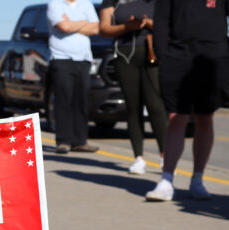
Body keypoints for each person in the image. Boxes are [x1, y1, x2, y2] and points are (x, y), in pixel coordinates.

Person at [146, 0, 229, 201]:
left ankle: (197, 179)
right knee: (177, 116)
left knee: (205, 117)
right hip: (177, 57)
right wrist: (162, 55)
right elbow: (161, 20)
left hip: (214, 59)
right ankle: (166, 180)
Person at [99, 0, 167, 174]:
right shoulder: (113, 2)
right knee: (133, 106)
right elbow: (104, 29)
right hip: (124, 55)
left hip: (152, 52)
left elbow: (171, 25)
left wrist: (150, 24)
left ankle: (165, 157)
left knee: (155, 105)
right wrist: (127, 27)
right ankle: (138, 157)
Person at [47, 0, 101, 154]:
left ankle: (80, 141)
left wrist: (73, 24)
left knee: (81, 100)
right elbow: (63, 27)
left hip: (83, 59)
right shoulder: (55, 4)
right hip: (61, 58)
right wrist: (84, 23)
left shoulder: (86, 4)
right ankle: (63, 141)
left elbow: (96, 28)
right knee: (64, 99)